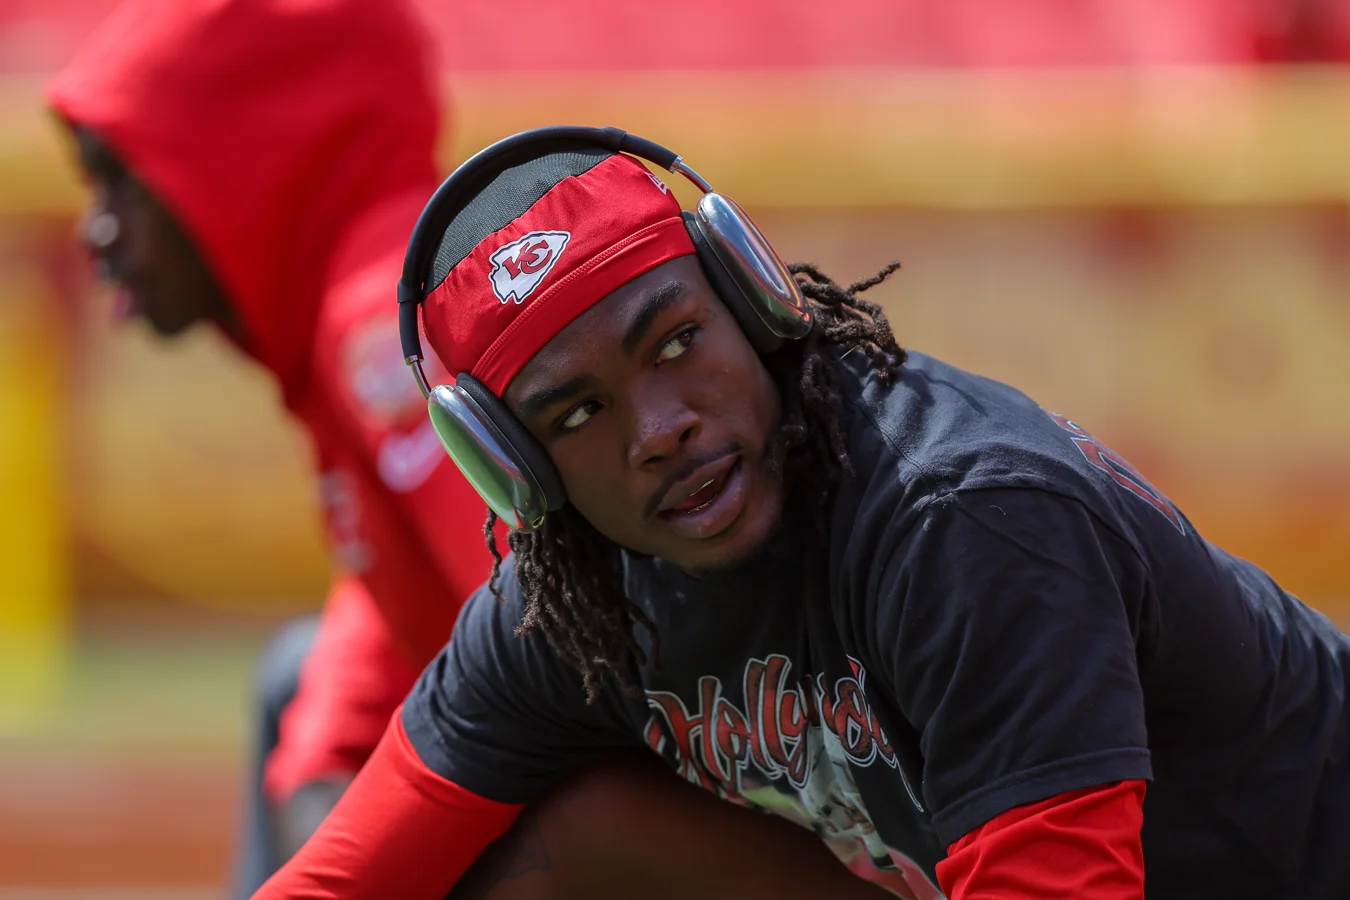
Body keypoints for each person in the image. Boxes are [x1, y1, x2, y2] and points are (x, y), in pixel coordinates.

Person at [264, 128, 1350, 900]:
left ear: (756, 302)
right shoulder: (573, 606)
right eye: (578, 413)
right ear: (518, 471)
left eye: (675, 342)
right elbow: (340, 881)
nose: (659, 429)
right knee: (553, 848)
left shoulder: (965, 523)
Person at [46, 1, 497, 895]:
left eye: (121, 179)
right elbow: (393, 612)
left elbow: (572, 644)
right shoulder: (373, 297)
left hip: (667, 787)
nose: (95, 229)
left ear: (238, 159)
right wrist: (320, 759)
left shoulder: (384, 325)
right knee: (297, 680)